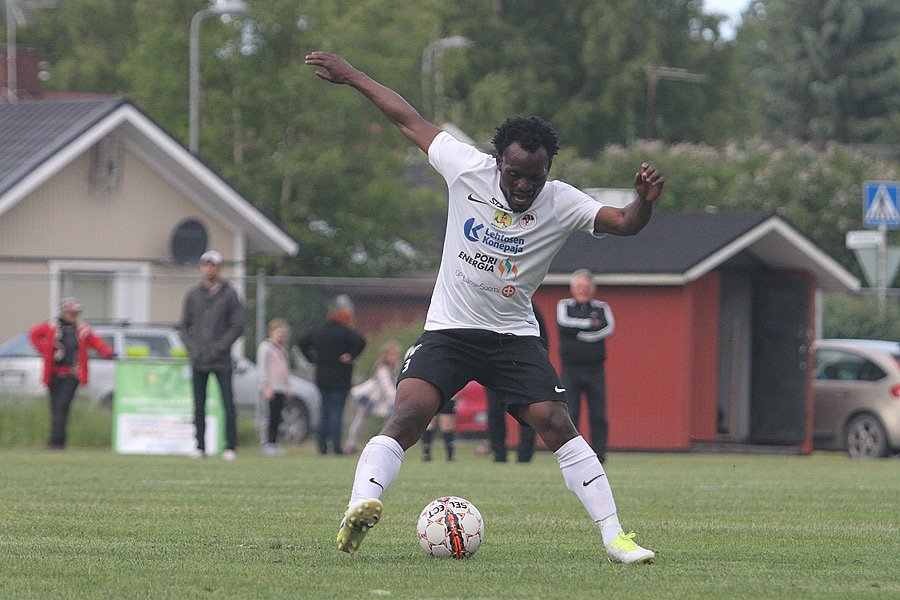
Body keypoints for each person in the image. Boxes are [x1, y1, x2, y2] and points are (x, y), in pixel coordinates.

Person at [306, 51, 664, 564]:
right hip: (449, 330)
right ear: (498, 162)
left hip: (512, 337)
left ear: (547, 172)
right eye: (515, 174)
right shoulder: (465, 168)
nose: (523, 186)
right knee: (408, 412)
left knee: (557, 423)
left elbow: (626, 223)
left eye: (534, 178)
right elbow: (408, 120)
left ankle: (615, 537)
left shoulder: (562, 201)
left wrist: (645, 200)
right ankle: (361, 504)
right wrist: (354, 77)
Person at [179, 250, 245, 461]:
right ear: (202, 268)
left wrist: (219, 347)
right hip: (199, 359)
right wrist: (193, 348)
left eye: (213, 265)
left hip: (221, 359)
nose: (209, 269)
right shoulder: (193, 294)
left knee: (228, 403)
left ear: (219, 268)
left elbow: (237, 326)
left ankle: (230, 447)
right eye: (206, 265)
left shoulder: (229, 294)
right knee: (199, 405)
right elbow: (183, 326)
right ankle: (200, 446)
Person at [29, 297, 114, 450]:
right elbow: (33, 334)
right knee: (55, 407)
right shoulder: (52, 326)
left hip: (72, 374)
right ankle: (55, 441)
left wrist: (108, 352)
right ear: (64, 312)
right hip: (54, 374)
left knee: (62, 405)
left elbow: (96, 342)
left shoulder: (82, 329)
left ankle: (58, 441)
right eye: (71, 313)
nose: (74, 316)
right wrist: (46, 350)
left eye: (76, 313)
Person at [297, 294, 367, 455]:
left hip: (322, 375)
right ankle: (336, 447)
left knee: (324, 411)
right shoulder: (346, 332)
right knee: (336, 412)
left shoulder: (318, 331)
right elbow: (361, 341)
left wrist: (312, 359)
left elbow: (302, 342)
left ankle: (321, 447)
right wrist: (351, 355)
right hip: (341, 376)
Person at [556, 269, 614, 462]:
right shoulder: (564, 306)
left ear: (593, 289)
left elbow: (607, 328)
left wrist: (581, 333)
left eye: (587, 287)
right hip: (570, 369)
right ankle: (575, 455)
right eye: (580, 286)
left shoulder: (602, 307)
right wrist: (591, 324)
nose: (583, 290)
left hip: (595, 369)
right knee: (571, 414)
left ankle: (600, 455)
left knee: (598, 414)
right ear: (573, 289)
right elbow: (564, 324)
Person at [486, 304, 546, 463]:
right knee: (494, 412)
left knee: (526, 412)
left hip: (521, 369)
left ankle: (525, 455)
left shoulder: (528, 306)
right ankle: (498, 454)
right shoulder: (488, 305)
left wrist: (534, 362)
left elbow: (542, 338)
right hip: (493, 367)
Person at [344, 340, 402, 454]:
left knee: (390, 420)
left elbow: (395, 382)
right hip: (371, 396)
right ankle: (350, 445)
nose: (395, 357)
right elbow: (386, 386)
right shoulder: (382, 368)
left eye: (397, 355)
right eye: (393, 354)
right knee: (360, 419)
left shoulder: (396, 366)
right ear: (386, 355)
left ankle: (385, 444)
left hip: (384, 398)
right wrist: (395, 398)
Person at [257, 318, 293, 456]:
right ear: (271, 332)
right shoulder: (265, 347)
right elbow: (262, 368)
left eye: (284, 333)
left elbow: (286, 369)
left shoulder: (283, 349)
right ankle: (266, 443)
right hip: (270, 387)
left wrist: (288, 386)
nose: (281, 336)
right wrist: (265, 386)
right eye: (279, 332)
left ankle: (274, 441)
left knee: (278, 416)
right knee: (269, 416)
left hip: (281, 388)